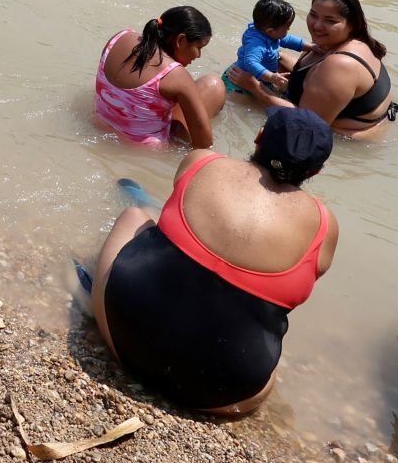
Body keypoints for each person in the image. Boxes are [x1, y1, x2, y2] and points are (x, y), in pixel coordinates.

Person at [92, 108, 338, 415]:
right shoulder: (324, 227)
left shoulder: (202, 162)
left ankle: (94, 292)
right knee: (266, 351)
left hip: (124, 336)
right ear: (315, 173)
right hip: (221, 395)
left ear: (259, 136)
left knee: (136, 216)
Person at [243, 0, 396, 136]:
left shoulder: (340, 65)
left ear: (352, 24)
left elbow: (306, 125)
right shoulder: (348, 41)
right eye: (313, 15)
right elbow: (311, 72)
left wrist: (256, 89)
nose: (316, 25)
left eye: (330, 20)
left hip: (341, 138)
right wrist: (275, 56)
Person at [93, 7, 226, 148]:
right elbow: (204, 142)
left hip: (99, 123)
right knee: (214, 85)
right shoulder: (176, 75)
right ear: (180, 40)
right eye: (199, 48)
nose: (198, 55)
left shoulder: (120, 37)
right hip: (145, 150)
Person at [224, 0, 308, 97]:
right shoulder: (257, 43)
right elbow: (251, 63)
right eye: (287, 28)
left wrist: (310, 46)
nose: (288, 31)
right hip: (237, 84)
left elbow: (287, 40)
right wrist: (272, 77)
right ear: (270, 31)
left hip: (258, 77)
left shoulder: (267, 32)